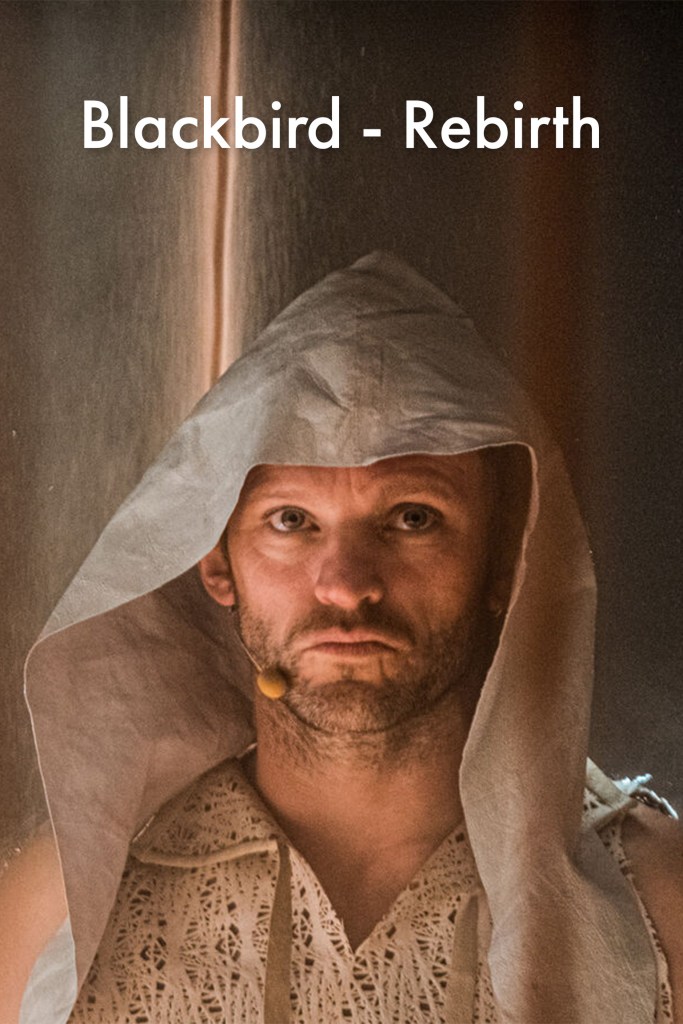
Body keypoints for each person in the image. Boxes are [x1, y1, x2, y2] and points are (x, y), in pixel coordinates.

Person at [3, 252, 682, 1023]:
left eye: (412, 518)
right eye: (291, 520)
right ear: (217, 563)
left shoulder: (658, 903)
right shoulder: (54, 917)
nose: (346, 583)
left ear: (504, 563)